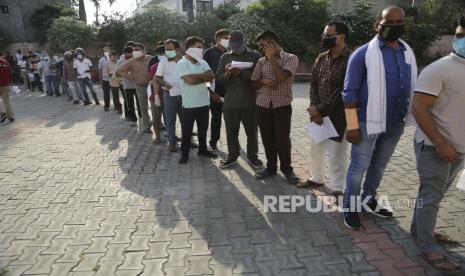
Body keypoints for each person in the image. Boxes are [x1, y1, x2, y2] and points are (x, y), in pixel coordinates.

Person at [342, 6, 417, 230]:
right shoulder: (363, 53)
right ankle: (350, 208)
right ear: (378, 23)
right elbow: (349, 93)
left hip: (395, 121)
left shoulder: (406, 52)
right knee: (359, 166)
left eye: (399, 22)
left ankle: (369, 200)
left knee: (379, 165)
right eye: (389, 22)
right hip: (366, 121)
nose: (394, 26)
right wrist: (352, 125)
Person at [409, 16, 465, 273]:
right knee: (431, 195)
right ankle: (427, 244)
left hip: (459, 149)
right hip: (434, 148)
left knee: (435, 193)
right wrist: (441, 144)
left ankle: (419, 229)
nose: (461, 40)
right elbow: (419, 109)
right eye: (459, 34)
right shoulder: (438, 69)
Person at [298, 22, 351, 196]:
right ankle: (317, 177)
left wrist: (319, 109)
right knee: (317, 148)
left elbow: (343, 91)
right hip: (318, 115)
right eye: (324, 35)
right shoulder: (321, 58)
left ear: (341, 37)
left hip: (338, 115)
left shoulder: (350, 60)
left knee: (337, 154)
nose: (324, 38)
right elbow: (313, 84)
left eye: (329, 35)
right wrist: (314, 108)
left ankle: (337, 187)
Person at [250, 30, 300, 184]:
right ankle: (271, 167)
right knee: (267, 138)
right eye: (260, 47)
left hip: (282, 106)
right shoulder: (260, 62)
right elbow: (253, 84)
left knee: (282, 140)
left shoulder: (290, 58)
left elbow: (281, 77)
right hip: (263, 105)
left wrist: (271, 58)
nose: (261, 49)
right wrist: (263, 81)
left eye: (263, 46)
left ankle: (287, 169)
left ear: (272, 43)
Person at [216, 30, 263, 169]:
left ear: (244, 40)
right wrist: (228, 74)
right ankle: (232, 156)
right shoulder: (225, 56)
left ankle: (253, 157)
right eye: (232, 41)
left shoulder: (255, 55)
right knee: (231, 133)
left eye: (237, 41)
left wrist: (241, 73)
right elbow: (218, 78)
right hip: (230, 103)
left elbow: (259, 78)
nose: (234, 44)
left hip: (250, 102)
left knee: (252, 133)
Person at [175, 36, 217, 164]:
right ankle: (184, 154)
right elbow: (190, 81)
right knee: (187, 131)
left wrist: (200, 78)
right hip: (189, 104)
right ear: (189, 48)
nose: (201, 49)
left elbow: (211, 76)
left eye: (201, 47)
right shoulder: (182, 63)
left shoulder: (202, 62)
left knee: (203, 129)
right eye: (198, 47)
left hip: (204, 102)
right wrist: (203, 77)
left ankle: (203, 150)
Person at [116, 43, 153, 134]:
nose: (135, 52)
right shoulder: (131, 61)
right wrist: (130, 77)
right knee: (143, 107)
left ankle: (159, 124)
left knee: (156, 106)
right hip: (140, 86)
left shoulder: (151, 59)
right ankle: (147, 126)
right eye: (133, 50)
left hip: (152, 86)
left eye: (137, 49)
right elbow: (118, 71)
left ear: (143, 50)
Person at [203, 29, 230, 152]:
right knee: (216, 119)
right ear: (218, 39)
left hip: (230, 92)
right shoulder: (209, 53)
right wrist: (210, 92)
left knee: (231, 119)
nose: (228, 40)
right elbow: (204, 74)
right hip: (215, 91)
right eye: (225, 37)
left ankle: (233, 143)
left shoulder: (231, 53)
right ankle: (213, 142)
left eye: (229, 37)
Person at [155, 39, 183, 152]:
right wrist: (164, 83)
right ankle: (172, 142)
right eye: (166, 49)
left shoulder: (185, 61)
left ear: (177, 49)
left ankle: (187, 141)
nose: (167, 51)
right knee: (170, 120)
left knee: (185, 120)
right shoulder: (163, 62)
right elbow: (157, 77)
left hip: (184, 94)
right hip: (168, 94)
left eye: (170, 49)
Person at [117, 46, 141, 124]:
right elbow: (117, 72)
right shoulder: (121, 61)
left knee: (140, 102)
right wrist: (128, 76)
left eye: (131, 53)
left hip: (138, 84)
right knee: (130, 104)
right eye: (128, 54)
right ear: (124, 53)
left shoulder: (137, 59)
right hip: (127, 85)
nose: (130, 55)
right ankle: (133, 119)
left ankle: (141, 117)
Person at [149, 47, 165, 144]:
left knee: (170, 118)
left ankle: (171, 136)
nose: (162, 55)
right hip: (156, 97)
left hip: (170, 96)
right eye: (160, 53)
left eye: (164, 53)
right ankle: (157, 136)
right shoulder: (154, 66)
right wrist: (156, 96)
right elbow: (152, 81)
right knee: (156, 118)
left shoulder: (176, 65)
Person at [0, 56, 14, 122]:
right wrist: (10, 81)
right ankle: (10, 116)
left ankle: (2, 114)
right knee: (7, 102)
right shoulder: (5, 62)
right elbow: (10, 73)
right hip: (6, 84)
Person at [99, 46, 112, 112]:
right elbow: (100, 70)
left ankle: (118, 106)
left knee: (115, 93)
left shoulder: (113, 58)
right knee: (106, 93)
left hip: (113, 79)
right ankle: (106, 106)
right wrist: (100, 81)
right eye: (104, 51)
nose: (106, 52)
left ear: (110, 51)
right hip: (105, 79)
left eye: (107, 51)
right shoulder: (101, 60)